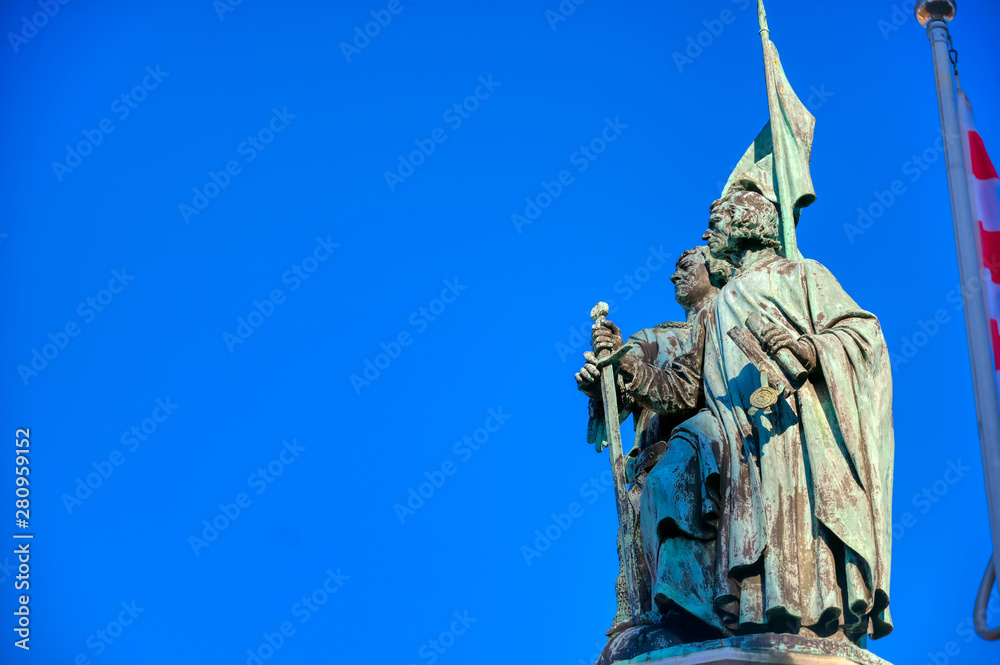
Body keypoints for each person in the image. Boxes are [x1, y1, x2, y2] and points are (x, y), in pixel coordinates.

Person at [591, 190, 893, 650]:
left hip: (792, 429)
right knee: (671, 470)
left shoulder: (802, 274)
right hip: (731, 432)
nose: (710, 233)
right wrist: (627, 365)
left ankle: (804, 611)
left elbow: (862, 332)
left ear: (749, 224)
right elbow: (683, 388)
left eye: (718, 221)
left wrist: (811, 351)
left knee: (768, 504)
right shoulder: (718, 305)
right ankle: (689, 607)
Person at [575, 246, 721, 638]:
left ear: (718, 267)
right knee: (639, 571)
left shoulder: (734, 323)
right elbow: (618, 392)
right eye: (674, 270)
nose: (676, 277)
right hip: (654, 466)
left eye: (687, 266)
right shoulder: (657, 337)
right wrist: (601, 379)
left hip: (719, 463)